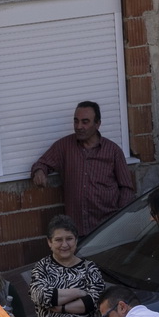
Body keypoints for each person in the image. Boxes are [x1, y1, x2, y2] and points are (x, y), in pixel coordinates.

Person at [30, 101, 135, 238]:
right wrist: (39, 172)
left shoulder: (113, 151)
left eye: (85, 122)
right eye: (76, 121)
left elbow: (127, 188)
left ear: (97, 124)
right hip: (76, 230)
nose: (79, 126)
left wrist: (119, 220)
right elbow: (42, 163)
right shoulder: (65, 146)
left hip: (107, 229)